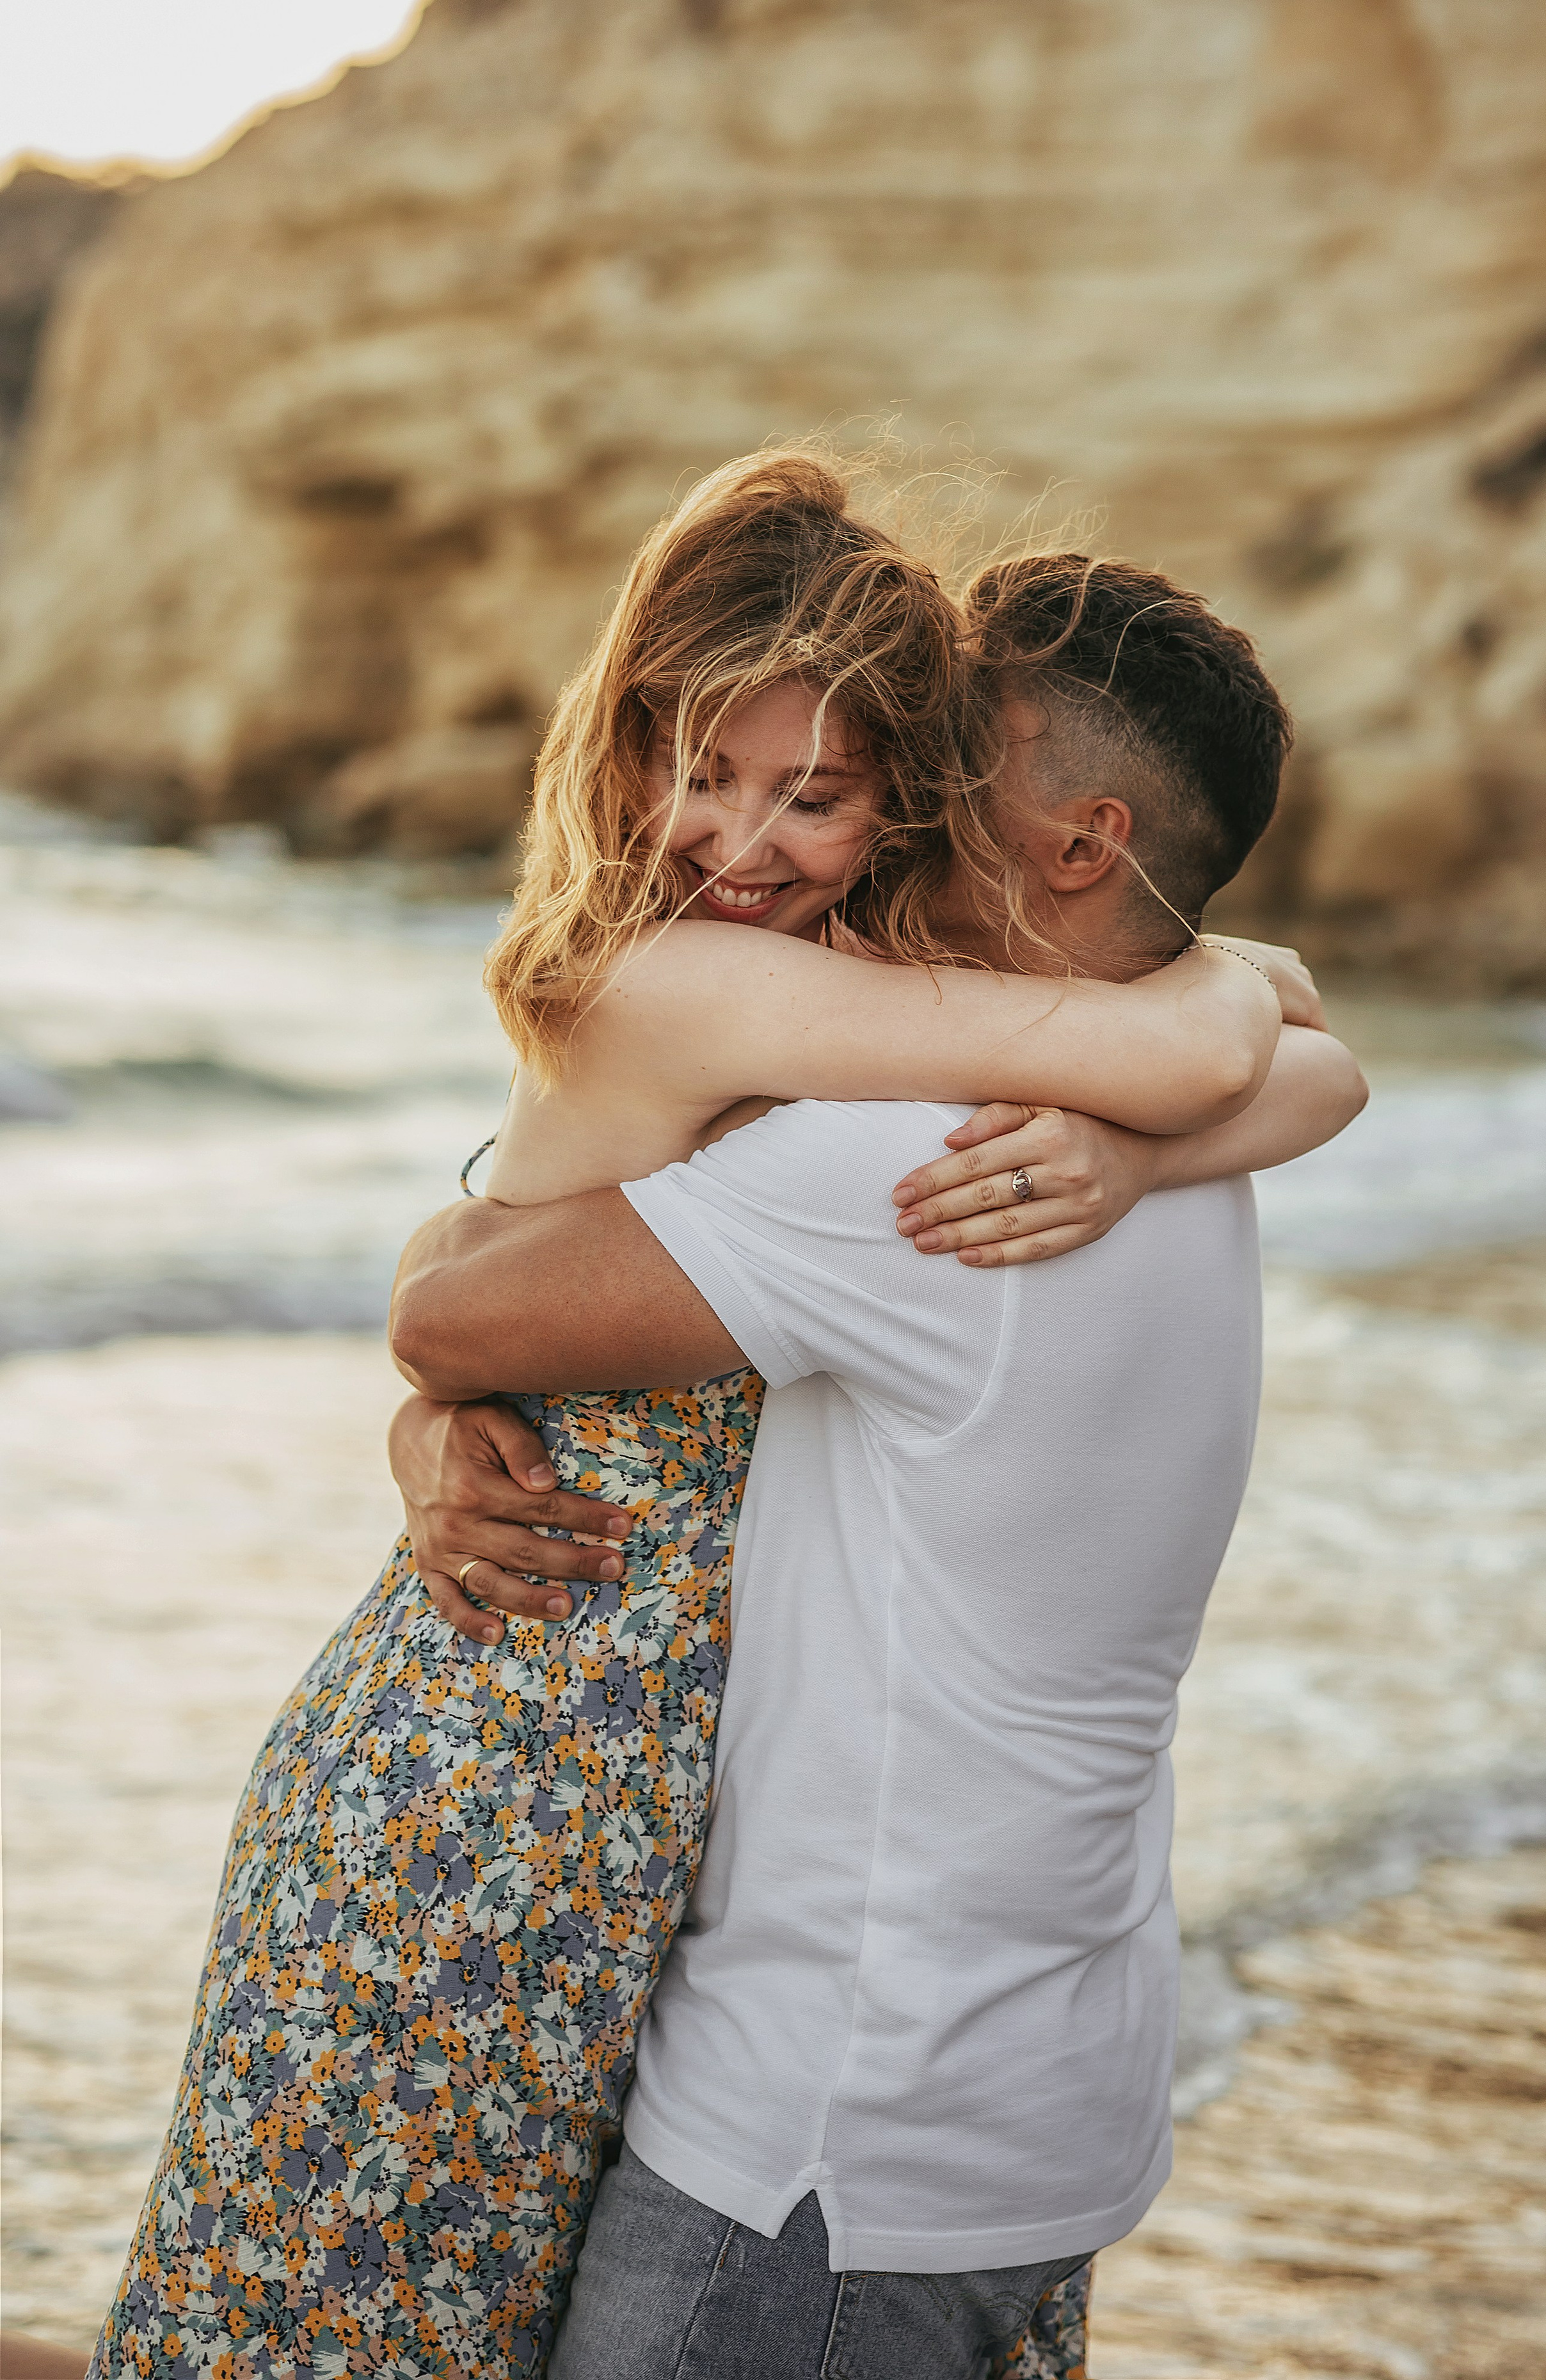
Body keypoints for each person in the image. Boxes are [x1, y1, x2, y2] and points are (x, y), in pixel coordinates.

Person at [87, 452, 1323, 2380]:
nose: (765, 835)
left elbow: (1259, 1027)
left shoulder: (899, 1067)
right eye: (709, 771)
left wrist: (1158, 1119)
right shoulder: (818, 1054)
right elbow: (444, 1308)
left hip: (662, 1845)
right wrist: (1186, 1087)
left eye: (844, 787)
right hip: (509, 1776)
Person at [388, 549, 1369, 2379]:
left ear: (1081, 841)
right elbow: (1297, 1031)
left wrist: (435, 1389)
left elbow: (453, 1309)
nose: (898, 799)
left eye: (939, 762)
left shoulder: (915, 1164)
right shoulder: (1170, 1130)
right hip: (1052, 2097)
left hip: (829, 2135)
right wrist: (1170, 1128)